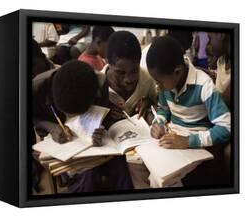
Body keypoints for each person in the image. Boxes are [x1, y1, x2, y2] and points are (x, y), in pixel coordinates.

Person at [32, 60, 133, 192]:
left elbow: (103, 116)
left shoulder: (99, 82)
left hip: (90, 142)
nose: (74, 119)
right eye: (70, 114)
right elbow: (31, 117)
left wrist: (100, 130)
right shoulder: (35, 88)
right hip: (59, 143)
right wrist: (49, 126)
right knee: (88, 175)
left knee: (120, 166)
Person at [146, 36, 230, 149]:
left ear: (177, 72)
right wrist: (159, 122)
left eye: (160, 82)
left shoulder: (204, 85)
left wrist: (188, 141)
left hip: (197, 145)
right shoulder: (165, 85)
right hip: (172, 138)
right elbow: (163, 110)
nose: (158, 86)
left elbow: (226, 127)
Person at [101, 31, 157, 189]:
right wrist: (105, 114)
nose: (129, 79)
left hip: (141, 146)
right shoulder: (99, 85)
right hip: (111, 151)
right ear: (108, 63)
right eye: (120, 73)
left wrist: (149, 103)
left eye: (134, 71)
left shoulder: (147, 79)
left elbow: (159, 106)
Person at [206, 32, 231, 108]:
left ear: (221, 35)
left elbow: (223, 101)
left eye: (210, 39)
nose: (209, 44)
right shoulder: (221, 61)